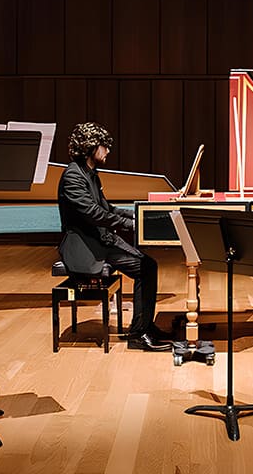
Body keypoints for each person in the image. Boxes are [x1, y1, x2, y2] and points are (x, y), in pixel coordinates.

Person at [57, 122, 172, 352]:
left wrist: (139, 216)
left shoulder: (90, 174)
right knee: (146, 267)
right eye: (104, 146)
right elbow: (94, 214)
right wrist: (129, 225)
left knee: (148, 265)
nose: (108, 151)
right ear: (91, 147)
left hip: (100, 241)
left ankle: (144, 326)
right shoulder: (73, 176)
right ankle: (139, 334)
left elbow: (107, 208)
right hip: (85, 247)